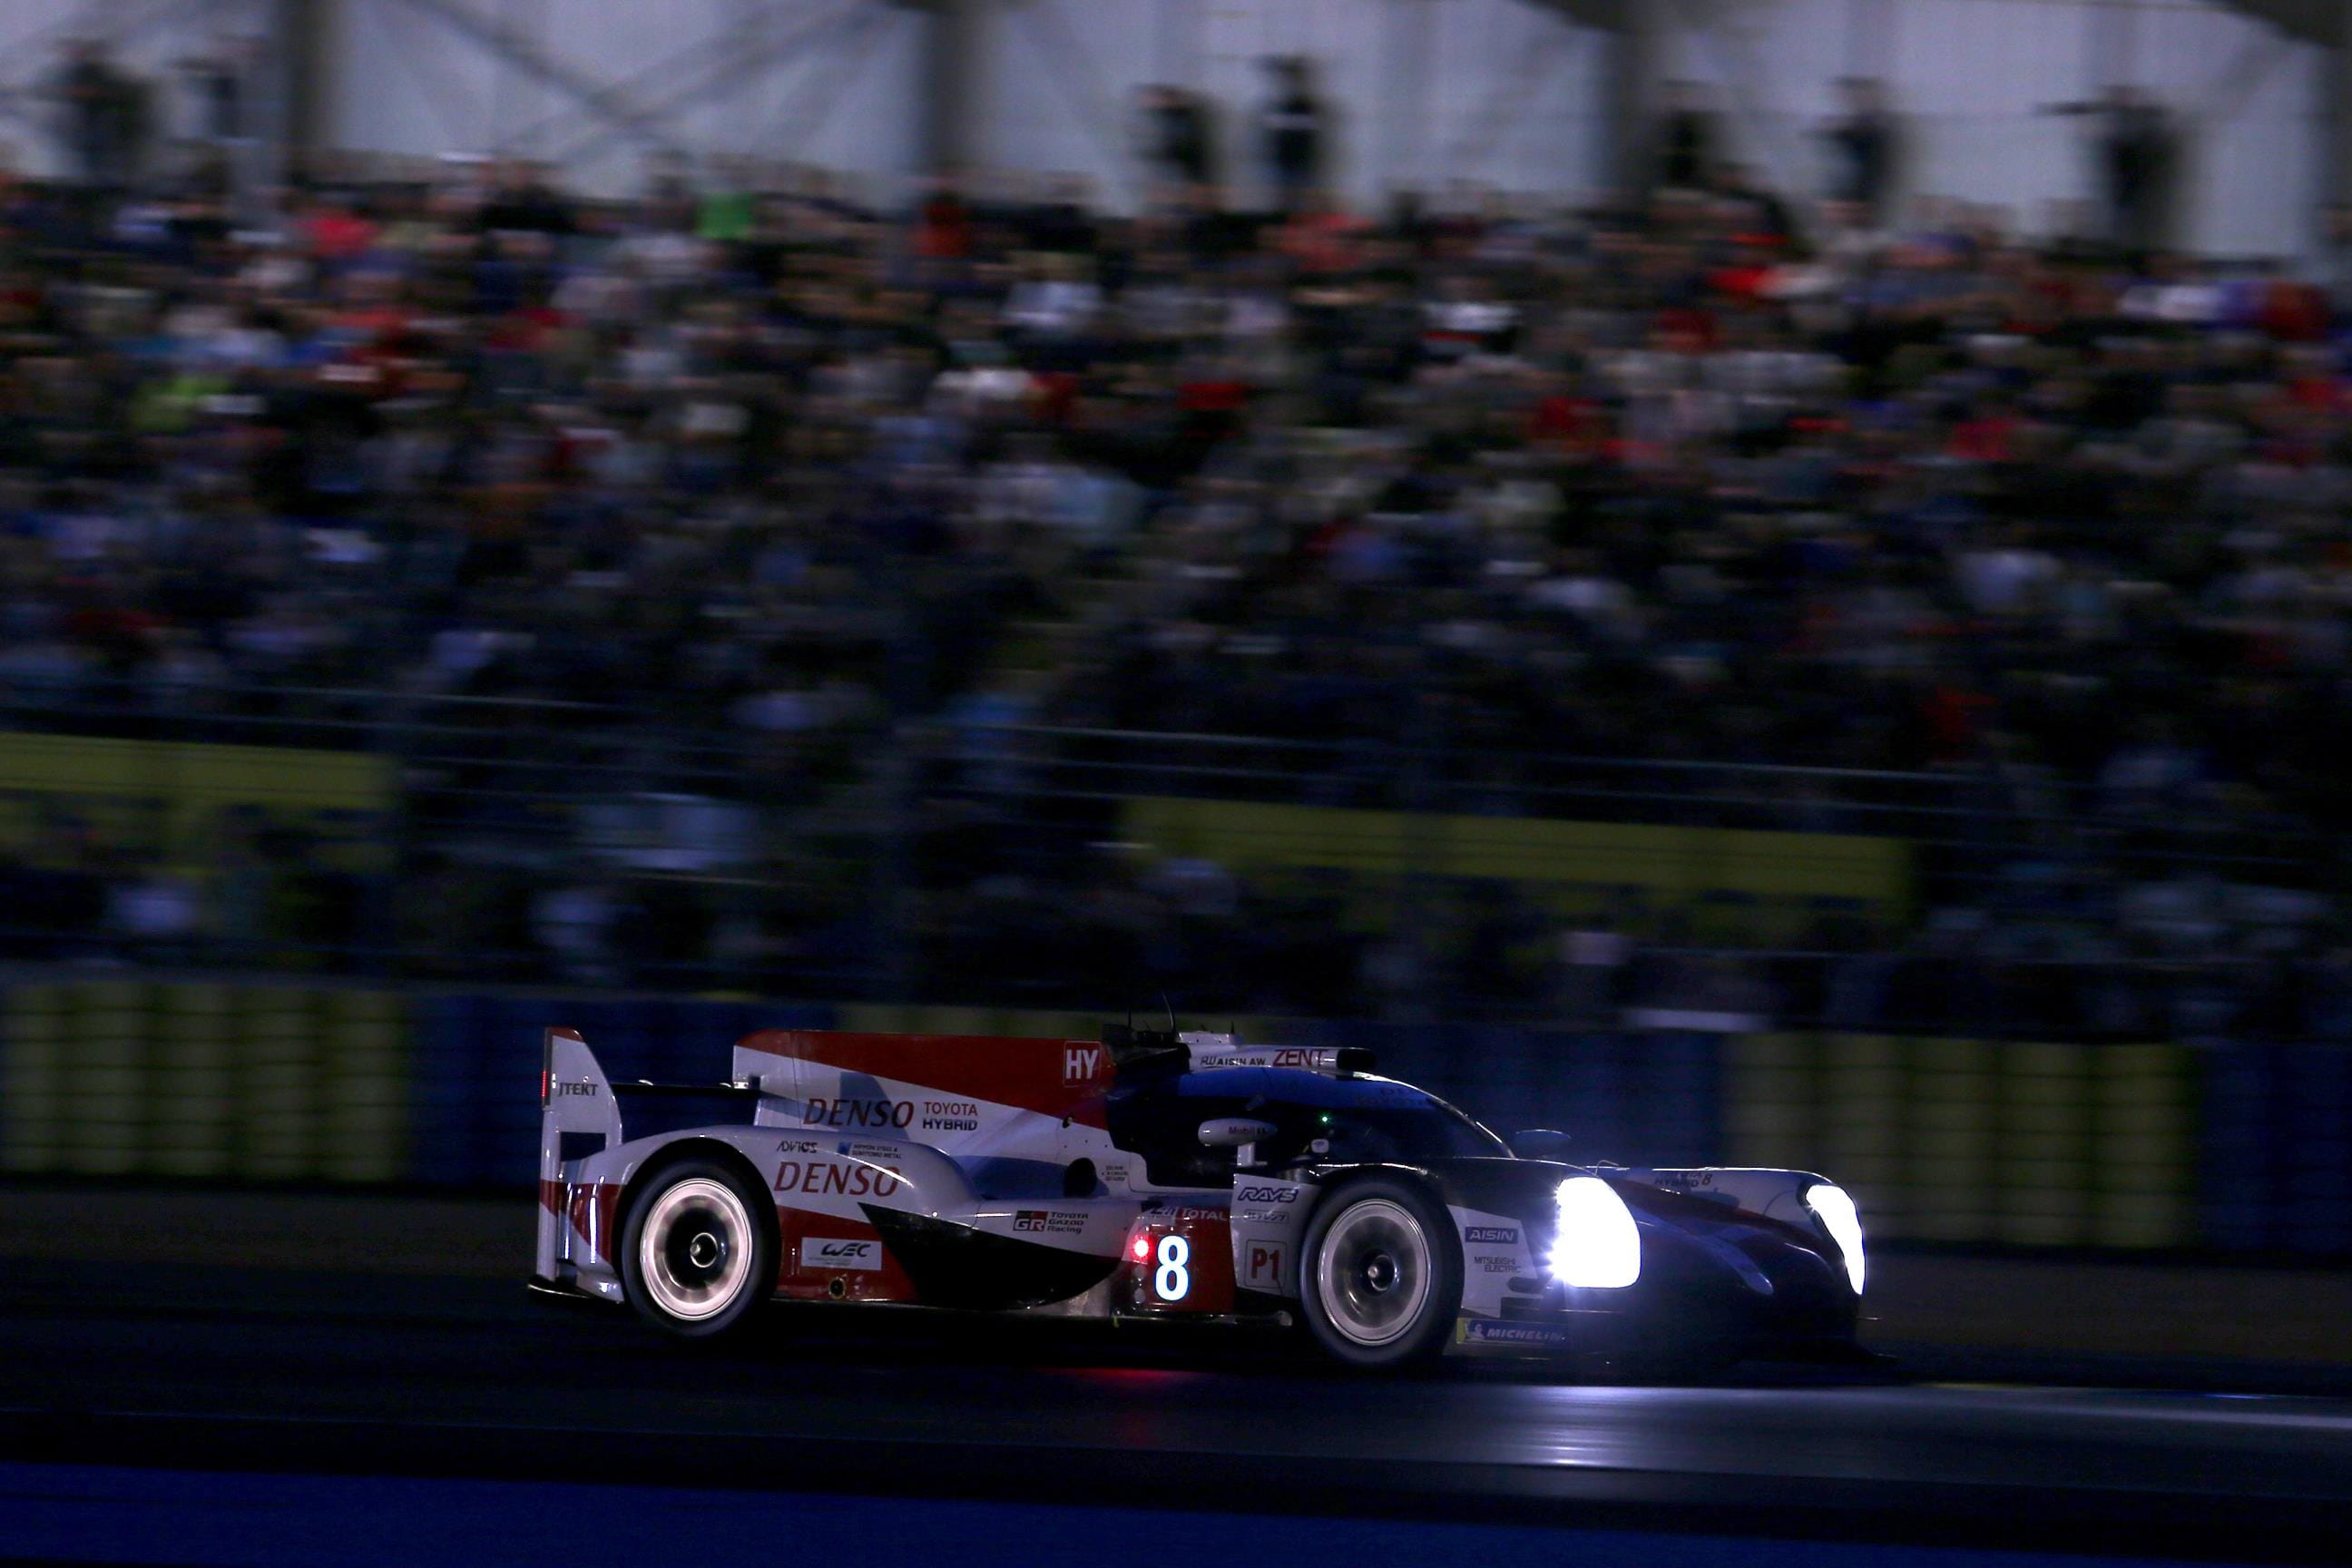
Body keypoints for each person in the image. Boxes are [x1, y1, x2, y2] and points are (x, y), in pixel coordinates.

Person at [1822, 76, 1896, 226]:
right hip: (1850, 180)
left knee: (1858, 218)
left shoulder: (1875, 124)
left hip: (1864, 182)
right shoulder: (1855, 122)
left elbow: (1874, 152)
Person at [1259, 56, 1322, 214]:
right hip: (1285, 164)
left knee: (1301, 207)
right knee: (1284, 205)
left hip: (1301, 165)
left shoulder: (1307, 107)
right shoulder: (1279, 107)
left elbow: (1310, 138)